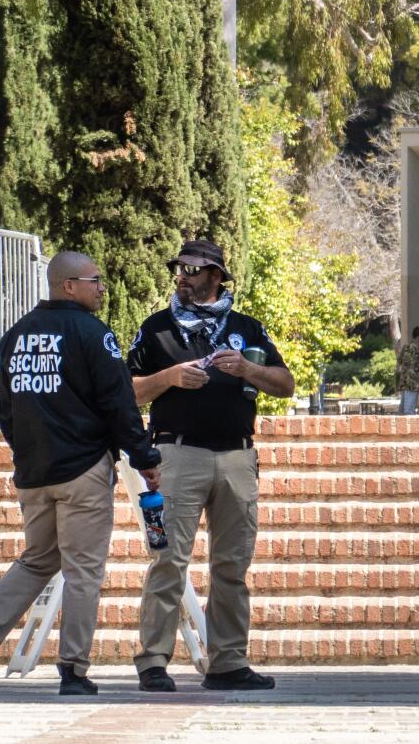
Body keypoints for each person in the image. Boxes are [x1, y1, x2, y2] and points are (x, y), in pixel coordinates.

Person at [0, 252, 161, 697]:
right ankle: (73, 670)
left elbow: (4, 409)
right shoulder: (92, 333)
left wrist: (25, 451)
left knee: (38, 559)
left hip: (33, 473)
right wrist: (143, 457)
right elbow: (119, 402)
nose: (102, 287)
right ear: (69, 285)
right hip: (82, 469)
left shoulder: (15, 335)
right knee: (83, 570)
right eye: (95, 280)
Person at [129, 240, 294, 692]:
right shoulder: (158, 328)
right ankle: (153, 662)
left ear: (217, 275)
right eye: (178, 268)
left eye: (193, 269)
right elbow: (125, 393)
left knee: (232, 565)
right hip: (176, 456)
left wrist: (247, 369)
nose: (182, 276)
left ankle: (228, 662)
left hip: (238, 457)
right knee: (167, 560)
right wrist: (169, 377)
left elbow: (285, 383)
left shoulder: (246, 328)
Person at [396, 326, 419, 414]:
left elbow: (399, 361)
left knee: (403, 407)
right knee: (409, 409)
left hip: (404, 380)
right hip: (413, 381)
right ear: (418, 337)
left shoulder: (405, 347)